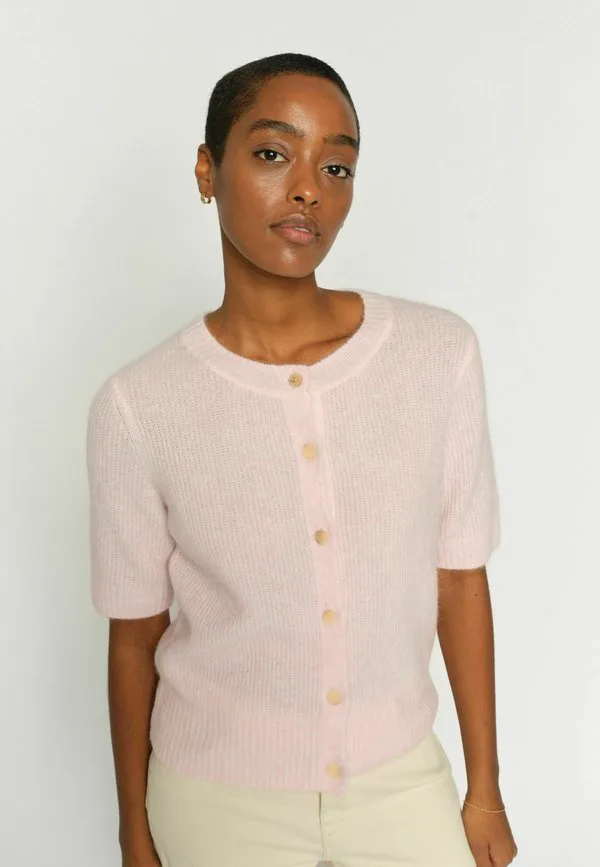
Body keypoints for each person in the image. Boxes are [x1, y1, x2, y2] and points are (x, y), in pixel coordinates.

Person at [86, 52, 518, 867]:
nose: (309, 189)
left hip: (400, 779)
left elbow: (461, 581)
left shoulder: (438, 355)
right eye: (272, 153)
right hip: (214, 799)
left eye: (336, 166)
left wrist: (484, 788)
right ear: (207, 171)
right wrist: (134, 831)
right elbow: (134, 637)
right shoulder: (138, 405)